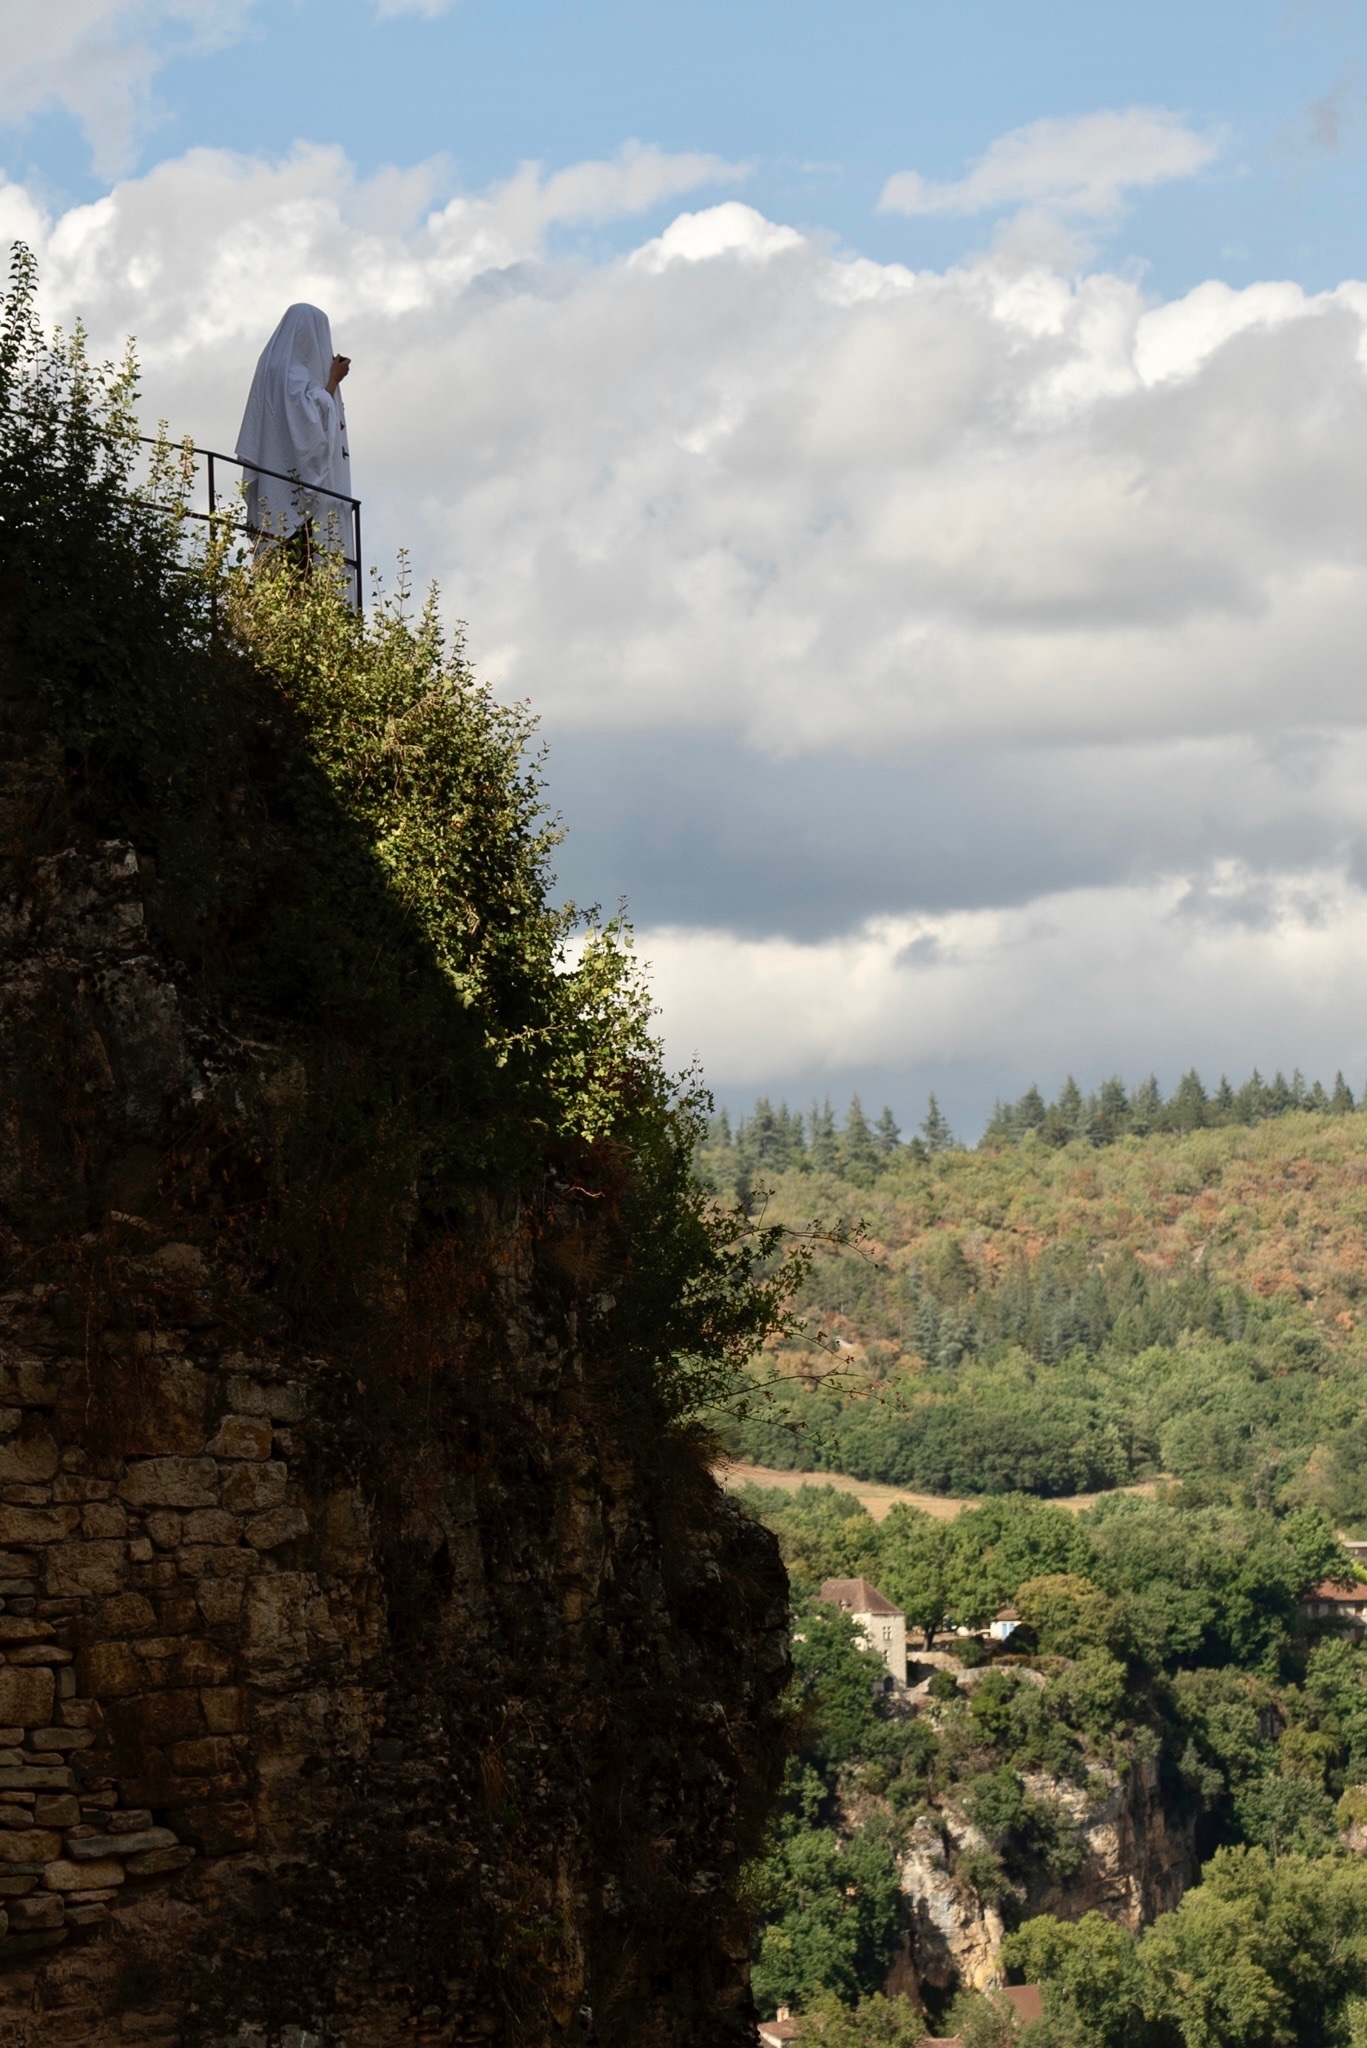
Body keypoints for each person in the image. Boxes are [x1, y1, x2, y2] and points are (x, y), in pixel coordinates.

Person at [235, 304, 352, 568]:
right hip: (296, 502)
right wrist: (332, 381)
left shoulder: (274, 367)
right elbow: (309, 435)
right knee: (300, 566)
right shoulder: (290, 373)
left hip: (274, 483)